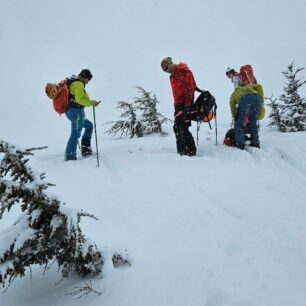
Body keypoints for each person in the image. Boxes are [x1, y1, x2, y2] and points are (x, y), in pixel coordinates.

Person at [161, 57, 197, 156]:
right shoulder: (176, 73)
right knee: (183, 127)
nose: (166, 71)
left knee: (178, 127)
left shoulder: (179, 72)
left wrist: (187, 106)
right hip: (182, 103)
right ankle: (190, 150)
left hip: (183, 104)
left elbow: (188, 88)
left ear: (171, 63)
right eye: (164, 70)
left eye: (166, 68)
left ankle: (183, 152)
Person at [65, 69, 100, 161]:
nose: (88, 81)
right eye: (88, 79)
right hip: (76, 112)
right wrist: (91, 102)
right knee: (75, 134)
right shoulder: (78, 84)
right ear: (84, 76)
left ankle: (85, 149)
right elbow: (79, 100)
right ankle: (70, 156)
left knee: (89, 126)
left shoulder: (75, 83)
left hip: (73, 112)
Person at [229, 82, 264, 149]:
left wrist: (235, 117)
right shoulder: (250, 86)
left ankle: (240, 145)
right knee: (253, 124)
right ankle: (255, 143)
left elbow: (232, 106)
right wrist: (261, 101)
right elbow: (259, 86)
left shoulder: (234, 94)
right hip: (257, 98)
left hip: (244, 99)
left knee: (239, 125)